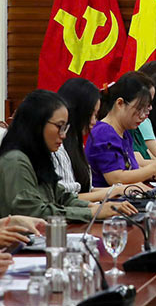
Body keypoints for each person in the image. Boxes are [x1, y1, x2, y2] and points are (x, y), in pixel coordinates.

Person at [0, 90, 137, 221]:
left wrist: (98, 207)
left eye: (65, 128)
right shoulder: (16, 160)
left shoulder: (38, 156)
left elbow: (62, 197)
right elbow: (32, 212)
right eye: (59, 127)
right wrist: (91, 212)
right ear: (37, 124)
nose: (63, 134)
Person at [53, 78, 135, 202]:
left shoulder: (76, 143)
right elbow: (66, 200)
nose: (93, 122)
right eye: (90, 115)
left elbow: (87, 189)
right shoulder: (58, 147)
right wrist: (116, 190)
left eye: (96, 115)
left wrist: (122, 189)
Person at [86, 72, 156, 188]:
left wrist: (150, 175)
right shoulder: (104, 133)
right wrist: (153, 168)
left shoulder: (124, 132)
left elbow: (131, 169)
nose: (143, 116)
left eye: (146, 110)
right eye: (139, 109)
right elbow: (116, 178)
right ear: (120, 104)